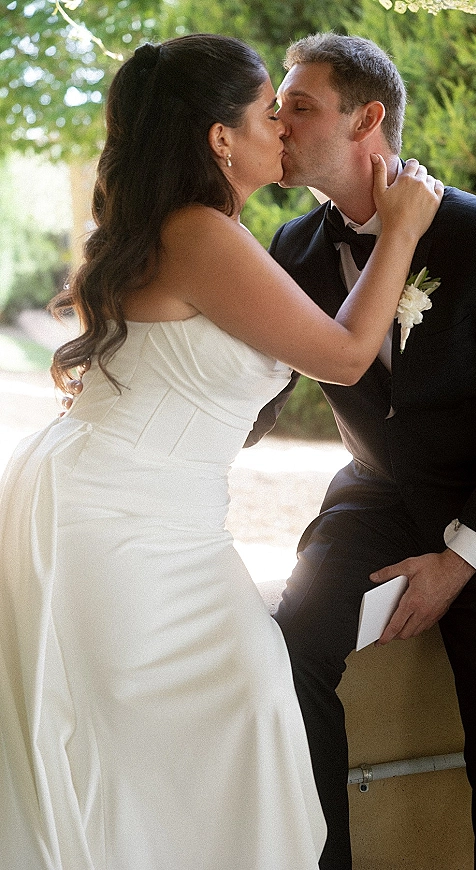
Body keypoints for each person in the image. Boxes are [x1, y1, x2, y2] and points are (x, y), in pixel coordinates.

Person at [0, 33, 442, 870]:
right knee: (203, 733)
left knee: (225, 729)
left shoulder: (194, 229)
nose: (280, 127)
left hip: (163, 522)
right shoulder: (199, 232)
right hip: (123, 527)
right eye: (266, 112)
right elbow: (345, 356)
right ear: (219, 138)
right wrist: (402, 232)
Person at [247, 33, 476, 870]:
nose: (277, 120)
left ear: (368, 118)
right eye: (278, 106)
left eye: (300, 105)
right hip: (376, 498)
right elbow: (262, 391)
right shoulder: (293, 248)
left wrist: (459, 560)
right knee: (291, 653)